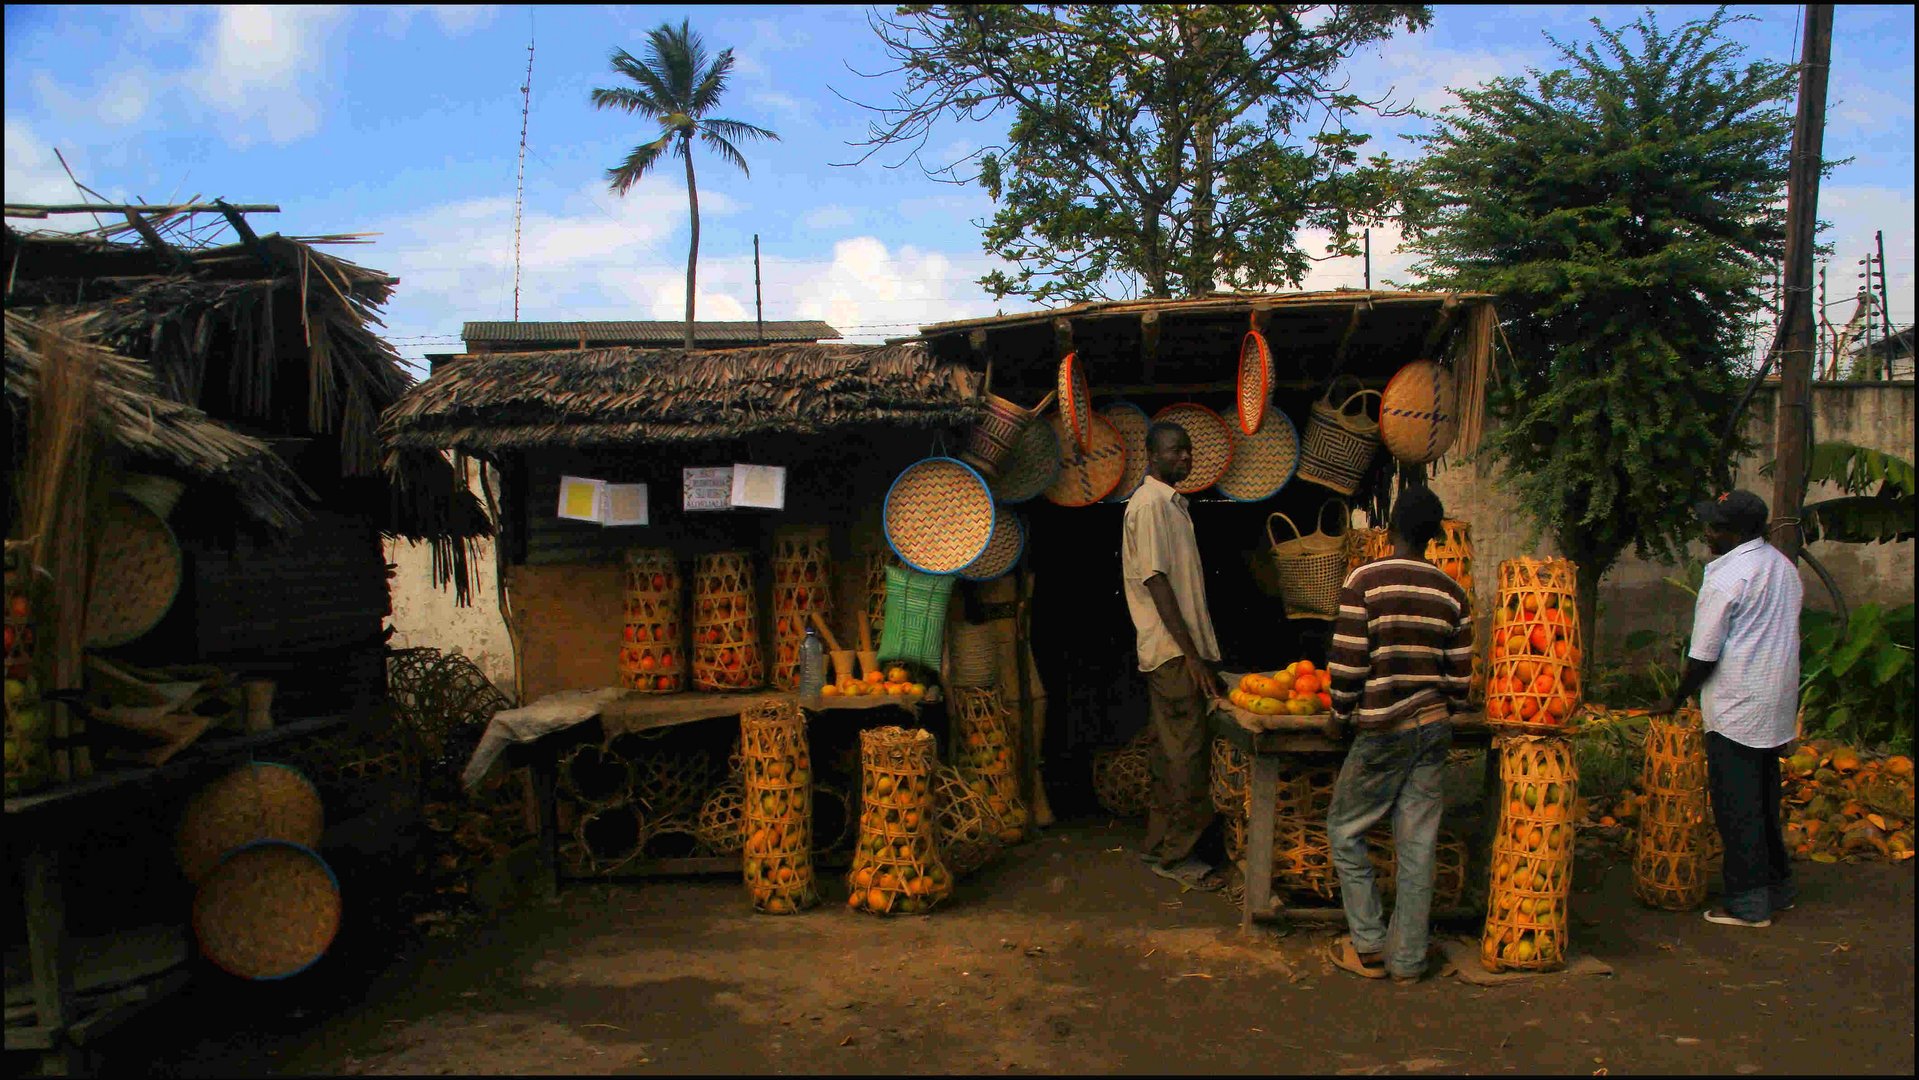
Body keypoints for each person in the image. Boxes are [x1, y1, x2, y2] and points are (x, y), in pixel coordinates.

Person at [1322, 485, 1473, 983]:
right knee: (1418, 846)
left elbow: (1346, 665)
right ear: (1433, 534)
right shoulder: (1453, 594)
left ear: (1390, 528)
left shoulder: (1365, 580)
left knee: (1345, 830)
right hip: (1432, 730)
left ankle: (1367, 946)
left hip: (1383, 731)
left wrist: (1340, 715)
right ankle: (1408, 960)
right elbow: (1459, 682)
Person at [1653, 489, 1802, 928]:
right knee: (1763, 797)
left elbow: (1704, 653)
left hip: (1737, 706)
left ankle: (1749, 904)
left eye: (1715, 526)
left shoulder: (1727, 576)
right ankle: (1779, 887)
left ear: (1736, 532)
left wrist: (1676, 697)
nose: (1708, 532)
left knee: (1736, 805)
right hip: (1773, 701)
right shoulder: (1782, 567)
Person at [1121, 420, 1225, 889]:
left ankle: (1160, 846)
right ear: (1151, 455)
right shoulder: (1150, 506)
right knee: (1186, 755)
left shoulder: (1171, 505)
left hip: (1176, 652)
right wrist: (1193, 656)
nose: (1184, 457)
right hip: (1173, 654)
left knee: (1171, 753)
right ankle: (1180, 857)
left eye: (1188, 450)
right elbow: (1156, 582)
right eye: (1174, 451)